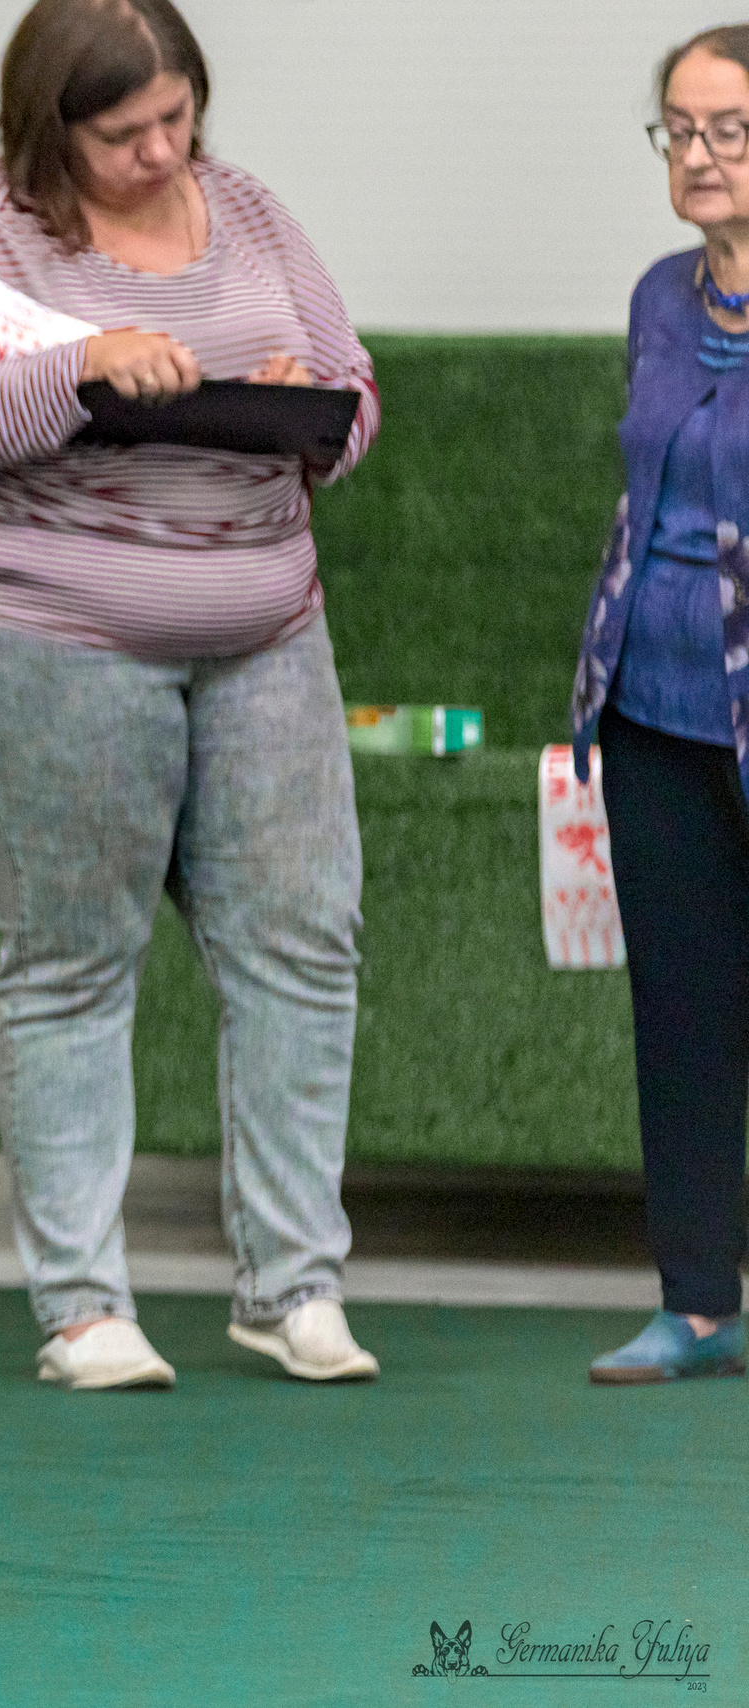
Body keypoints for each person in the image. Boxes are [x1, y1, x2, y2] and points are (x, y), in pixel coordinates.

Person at [0, 0, 382, 1390]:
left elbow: (352, 394)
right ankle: (83, 1307)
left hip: (263, 621)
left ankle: (293, 1287)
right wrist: (83, 360)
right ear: (52, 131)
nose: (162, 152)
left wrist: (309, 394)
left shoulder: (255, 215)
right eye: (124, 135)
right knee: (75, 955)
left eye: (180, 119)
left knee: (305, 938)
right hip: (40, 628)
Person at [569, 27, 749, 1387]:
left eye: (729, 130)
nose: (697, 155)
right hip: (653, 701)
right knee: (680, 1009)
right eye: (679, 130)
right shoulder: (656, 297)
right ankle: (694, 1301)